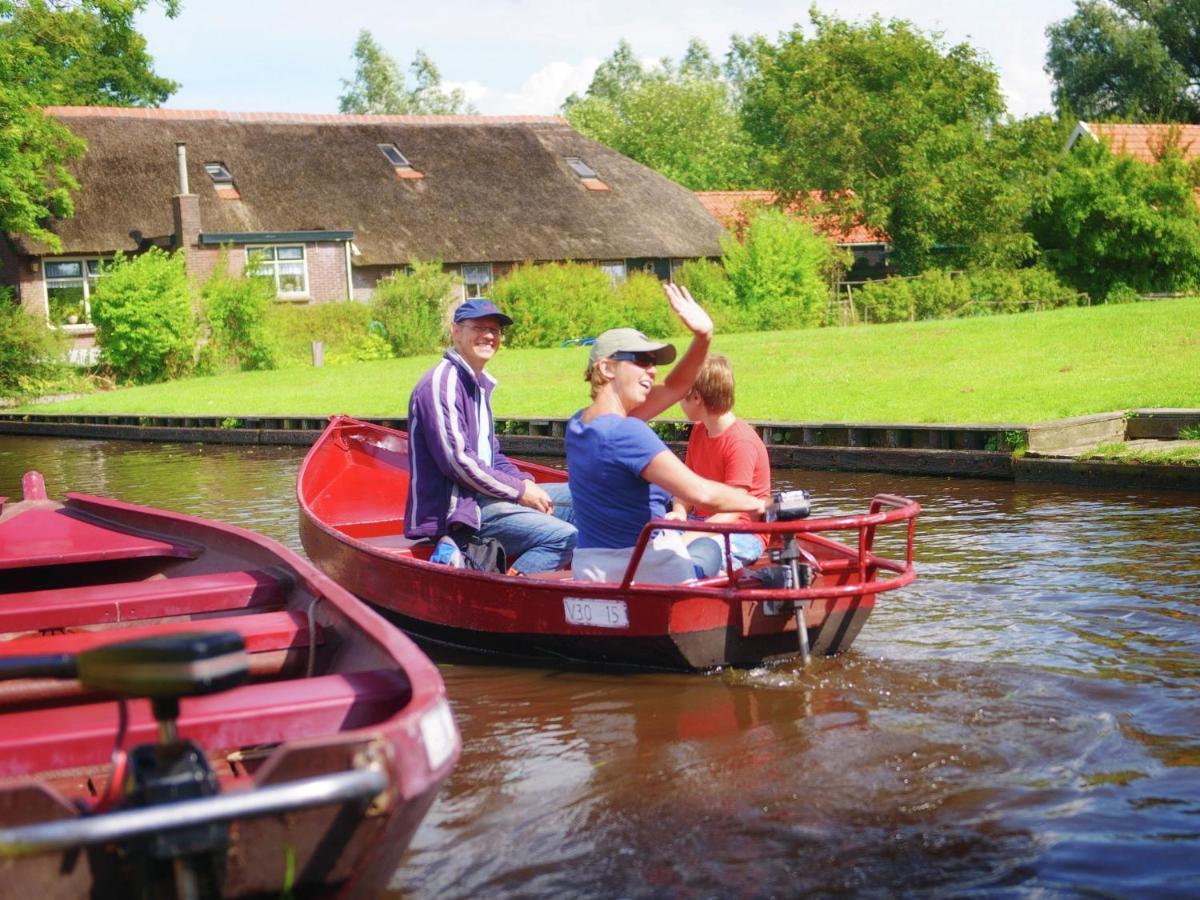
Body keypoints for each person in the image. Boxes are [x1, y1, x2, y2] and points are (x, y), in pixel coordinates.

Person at [565, 285, 765, 584]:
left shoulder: (579, 423)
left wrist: (703, 337)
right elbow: (702, 493)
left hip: (592, 570)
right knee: (709, 546)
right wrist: (765, 505)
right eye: (642, 361)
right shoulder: (627, 432)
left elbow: (676, 387)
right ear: (607, 368)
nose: (653, 371)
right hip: (649, 571)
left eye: (654, 364)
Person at [404, 297, 575, 574]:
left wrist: (526, 484)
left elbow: (491, 455)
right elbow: (459, 462)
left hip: (484, 497)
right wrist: (520, 492)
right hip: (459, 511)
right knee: (562, 538)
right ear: (456, 331)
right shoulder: (442, 383)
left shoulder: (477, 384)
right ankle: (508, 596)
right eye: (479, 328)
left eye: (494, 330)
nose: (488, 336)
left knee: (583, 498)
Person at [667, 353, 772, 573]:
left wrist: (690, 536)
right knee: (652, 543)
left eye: (681, 395)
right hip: (702, 523)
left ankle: (718, 577)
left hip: (742, 533)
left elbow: (733, 509)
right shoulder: (699, 430)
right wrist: (679, 512)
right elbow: (687, 484)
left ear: (696, 398)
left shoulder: (740, 443)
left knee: (691, 557)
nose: (677, 401)